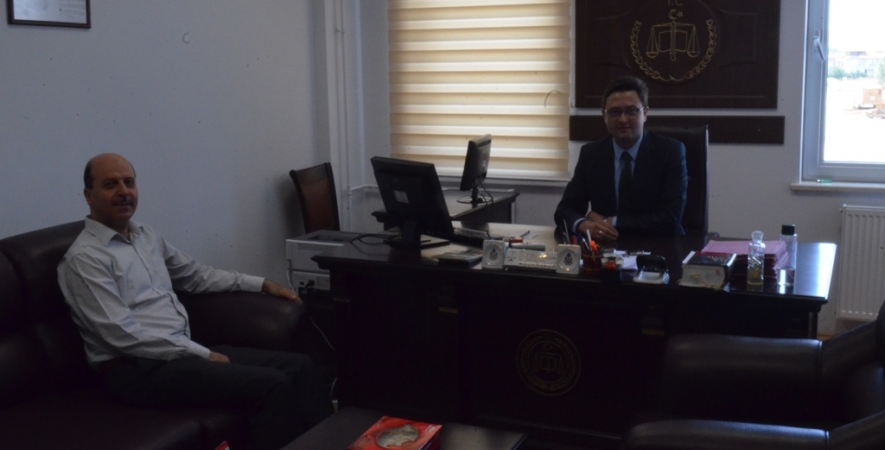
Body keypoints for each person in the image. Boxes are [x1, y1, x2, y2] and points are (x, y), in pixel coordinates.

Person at [57, 153, 333, 450]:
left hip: (180, 354)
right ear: (89, 195)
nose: (124, 192)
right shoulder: (85, 258)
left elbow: (196, 276)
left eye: (129, 182)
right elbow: (120, 334)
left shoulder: (145, 235)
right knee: (272, 386)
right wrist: (201, 353)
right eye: (110, 184)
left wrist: (262, 284)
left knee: (301, 367)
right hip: (137, 370)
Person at [554, 76, 687, 240]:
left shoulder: (670, 151)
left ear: (645, 113)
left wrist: (609, 221)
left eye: (631, 111)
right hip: (607, 248)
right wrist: (585, 225)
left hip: (659, 247)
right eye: (614, 112)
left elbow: (669, 219)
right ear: (604, 116)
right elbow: (564, 211)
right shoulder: (591, 154)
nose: (623, 119)